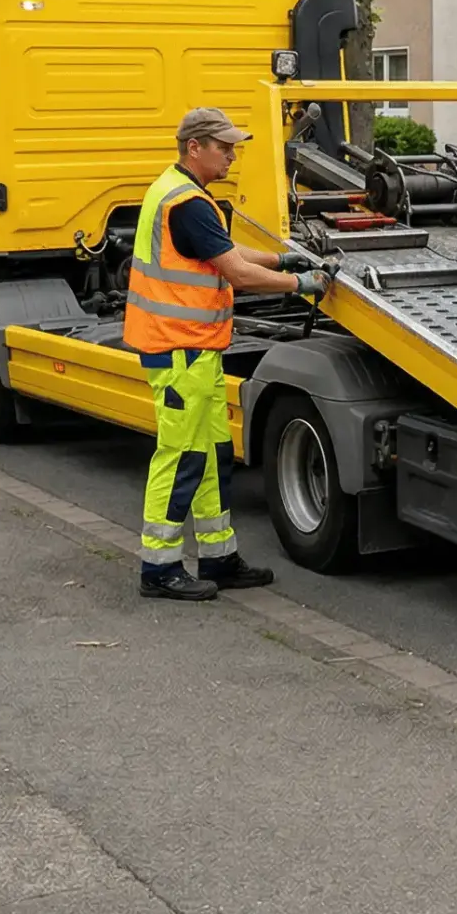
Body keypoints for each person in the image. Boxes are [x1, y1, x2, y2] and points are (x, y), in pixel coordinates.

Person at [125, 108, 332, 602]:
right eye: (225, 147)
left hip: (196, 352)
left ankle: (218, 556)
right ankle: (159, 569)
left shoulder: (184, 194)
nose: (232, 155)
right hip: (180, 351)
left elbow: (227, 253)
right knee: (181, 457)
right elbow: (237, 275)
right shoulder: (187, 203)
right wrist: (301, 282)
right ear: (195, 147)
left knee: (213, 455)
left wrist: (282, 257)